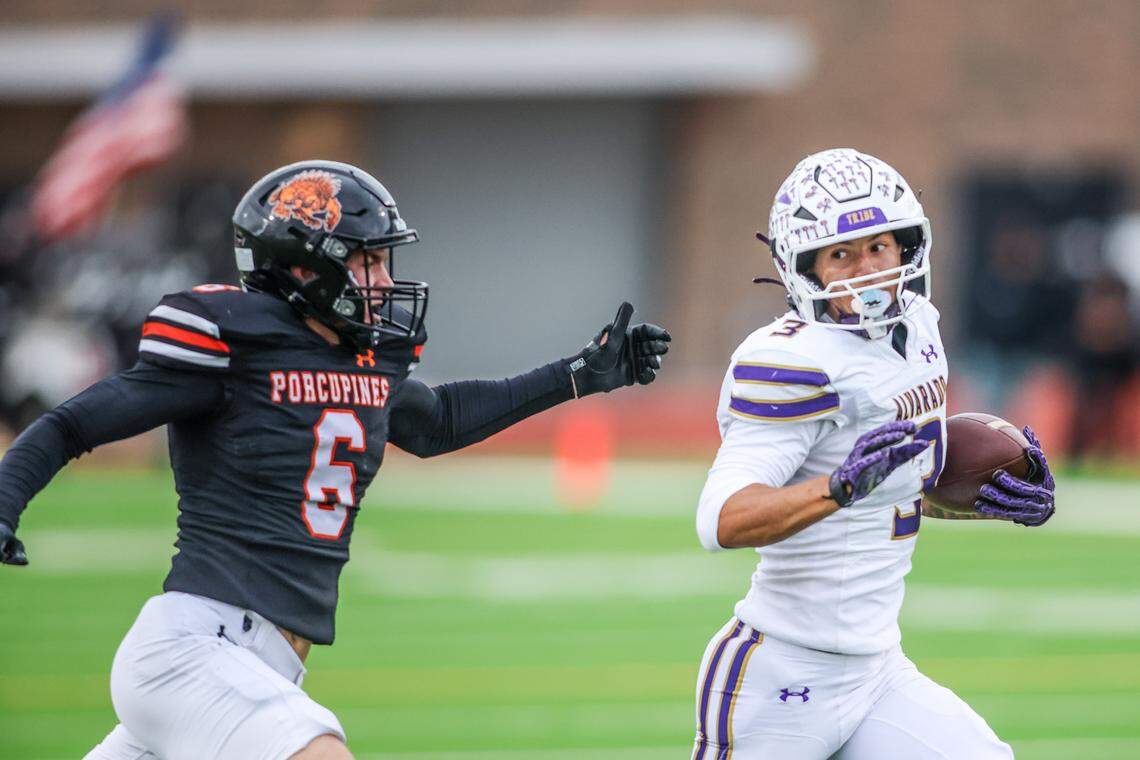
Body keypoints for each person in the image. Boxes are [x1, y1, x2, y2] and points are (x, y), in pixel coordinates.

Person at [0, 160, 671, 760]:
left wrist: (579, 374)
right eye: (367, 261)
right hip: (195, 651)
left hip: (256, 667)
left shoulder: (359, 360)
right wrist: (5, 499)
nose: (385, 281)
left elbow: (439, 421)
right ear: (303, 265)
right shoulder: (237, 342)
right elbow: (72, 423)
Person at [691, 148, 1055, 759]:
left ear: (907, 247)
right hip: (781, 673)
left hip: (877, 670)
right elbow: (721, 519)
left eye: (879, 247)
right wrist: (837, 488)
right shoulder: (792, 359)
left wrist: (991, 498)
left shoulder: (920, 328)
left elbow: (895, 487)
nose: (867, 270)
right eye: (841, 254)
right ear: (803, 267)